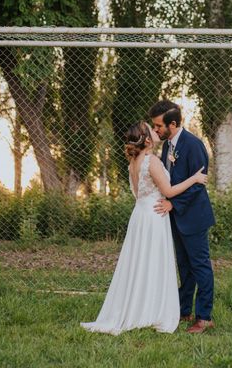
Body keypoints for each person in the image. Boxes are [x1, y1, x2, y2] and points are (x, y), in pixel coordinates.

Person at [80, 121, 207, 335]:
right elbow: (169, 190)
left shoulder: (133, 163)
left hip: (140, 214)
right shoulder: (152, 161)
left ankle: (138, 305)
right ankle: (151, 310)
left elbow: (140, 194)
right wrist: (194, 178)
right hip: (154, 216)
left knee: (139, 262)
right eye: (152, 129)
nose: (156, 131)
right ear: (147, 140)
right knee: (153, 261)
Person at [150, 100, 216, 334]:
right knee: (184, 266)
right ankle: (184, 309)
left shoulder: (194, 145)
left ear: (173, 124)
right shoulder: (168, 146)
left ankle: (205, 317)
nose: (156, 130)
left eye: (158, 126)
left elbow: (198, 184)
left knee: (200, 267)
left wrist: (172, 203)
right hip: (176, 217)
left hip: (194, 217)